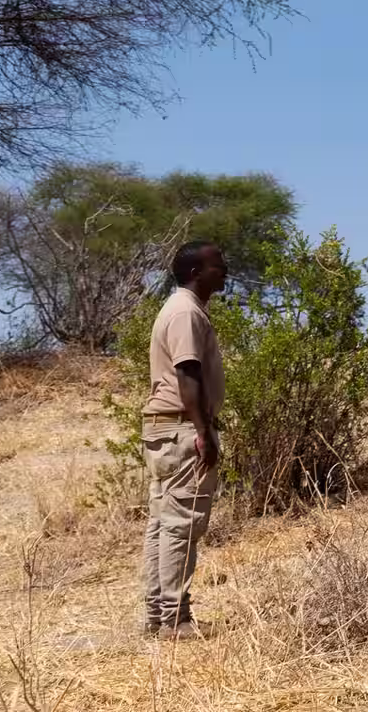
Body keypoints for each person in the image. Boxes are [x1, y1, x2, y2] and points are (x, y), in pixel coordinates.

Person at [140, 239, 228, 641]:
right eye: (217, 265)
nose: (224, 270)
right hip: (180, 427)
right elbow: (187, 373)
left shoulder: (181, 309)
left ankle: (159, 615)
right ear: (196, 272)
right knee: (181, 523)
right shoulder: (185, 312)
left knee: (163, 522)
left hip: (167, 427)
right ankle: (175, 619)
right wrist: (203, 431)